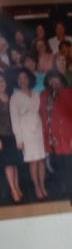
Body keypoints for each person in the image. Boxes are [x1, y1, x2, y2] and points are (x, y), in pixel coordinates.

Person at [40, 71, 72, 205]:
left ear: (61, 80)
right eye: (51, 80)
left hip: (69, 138)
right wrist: (47, 137)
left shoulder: (70, 93)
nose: (54, 83)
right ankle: (65, 190)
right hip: (54, 140)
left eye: (56, 80)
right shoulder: (43, 95)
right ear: (47, 82)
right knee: (60, 167)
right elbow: (43, 117)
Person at [11, 68, 47, 200]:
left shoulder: (36, 94)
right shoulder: (15, 97)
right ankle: (36, 187)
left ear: (29, 79)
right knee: (33, 161)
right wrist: (19, 139)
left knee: (42, 159)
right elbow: (14, 119)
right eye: (19, 78)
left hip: (38, 129)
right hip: (26, 131)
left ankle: (43, 185)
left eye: (24, 78)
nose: (22, 81)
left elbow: (42, 113)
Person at [0, 74, 21, 203]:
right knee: (8, 164)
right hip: (2, 136)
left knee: (14, 163)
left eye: (2, 80)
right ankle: (13, 190)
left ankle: (17, 187)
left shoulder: (10, 96)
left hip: (14, 134)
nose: (1, 83)